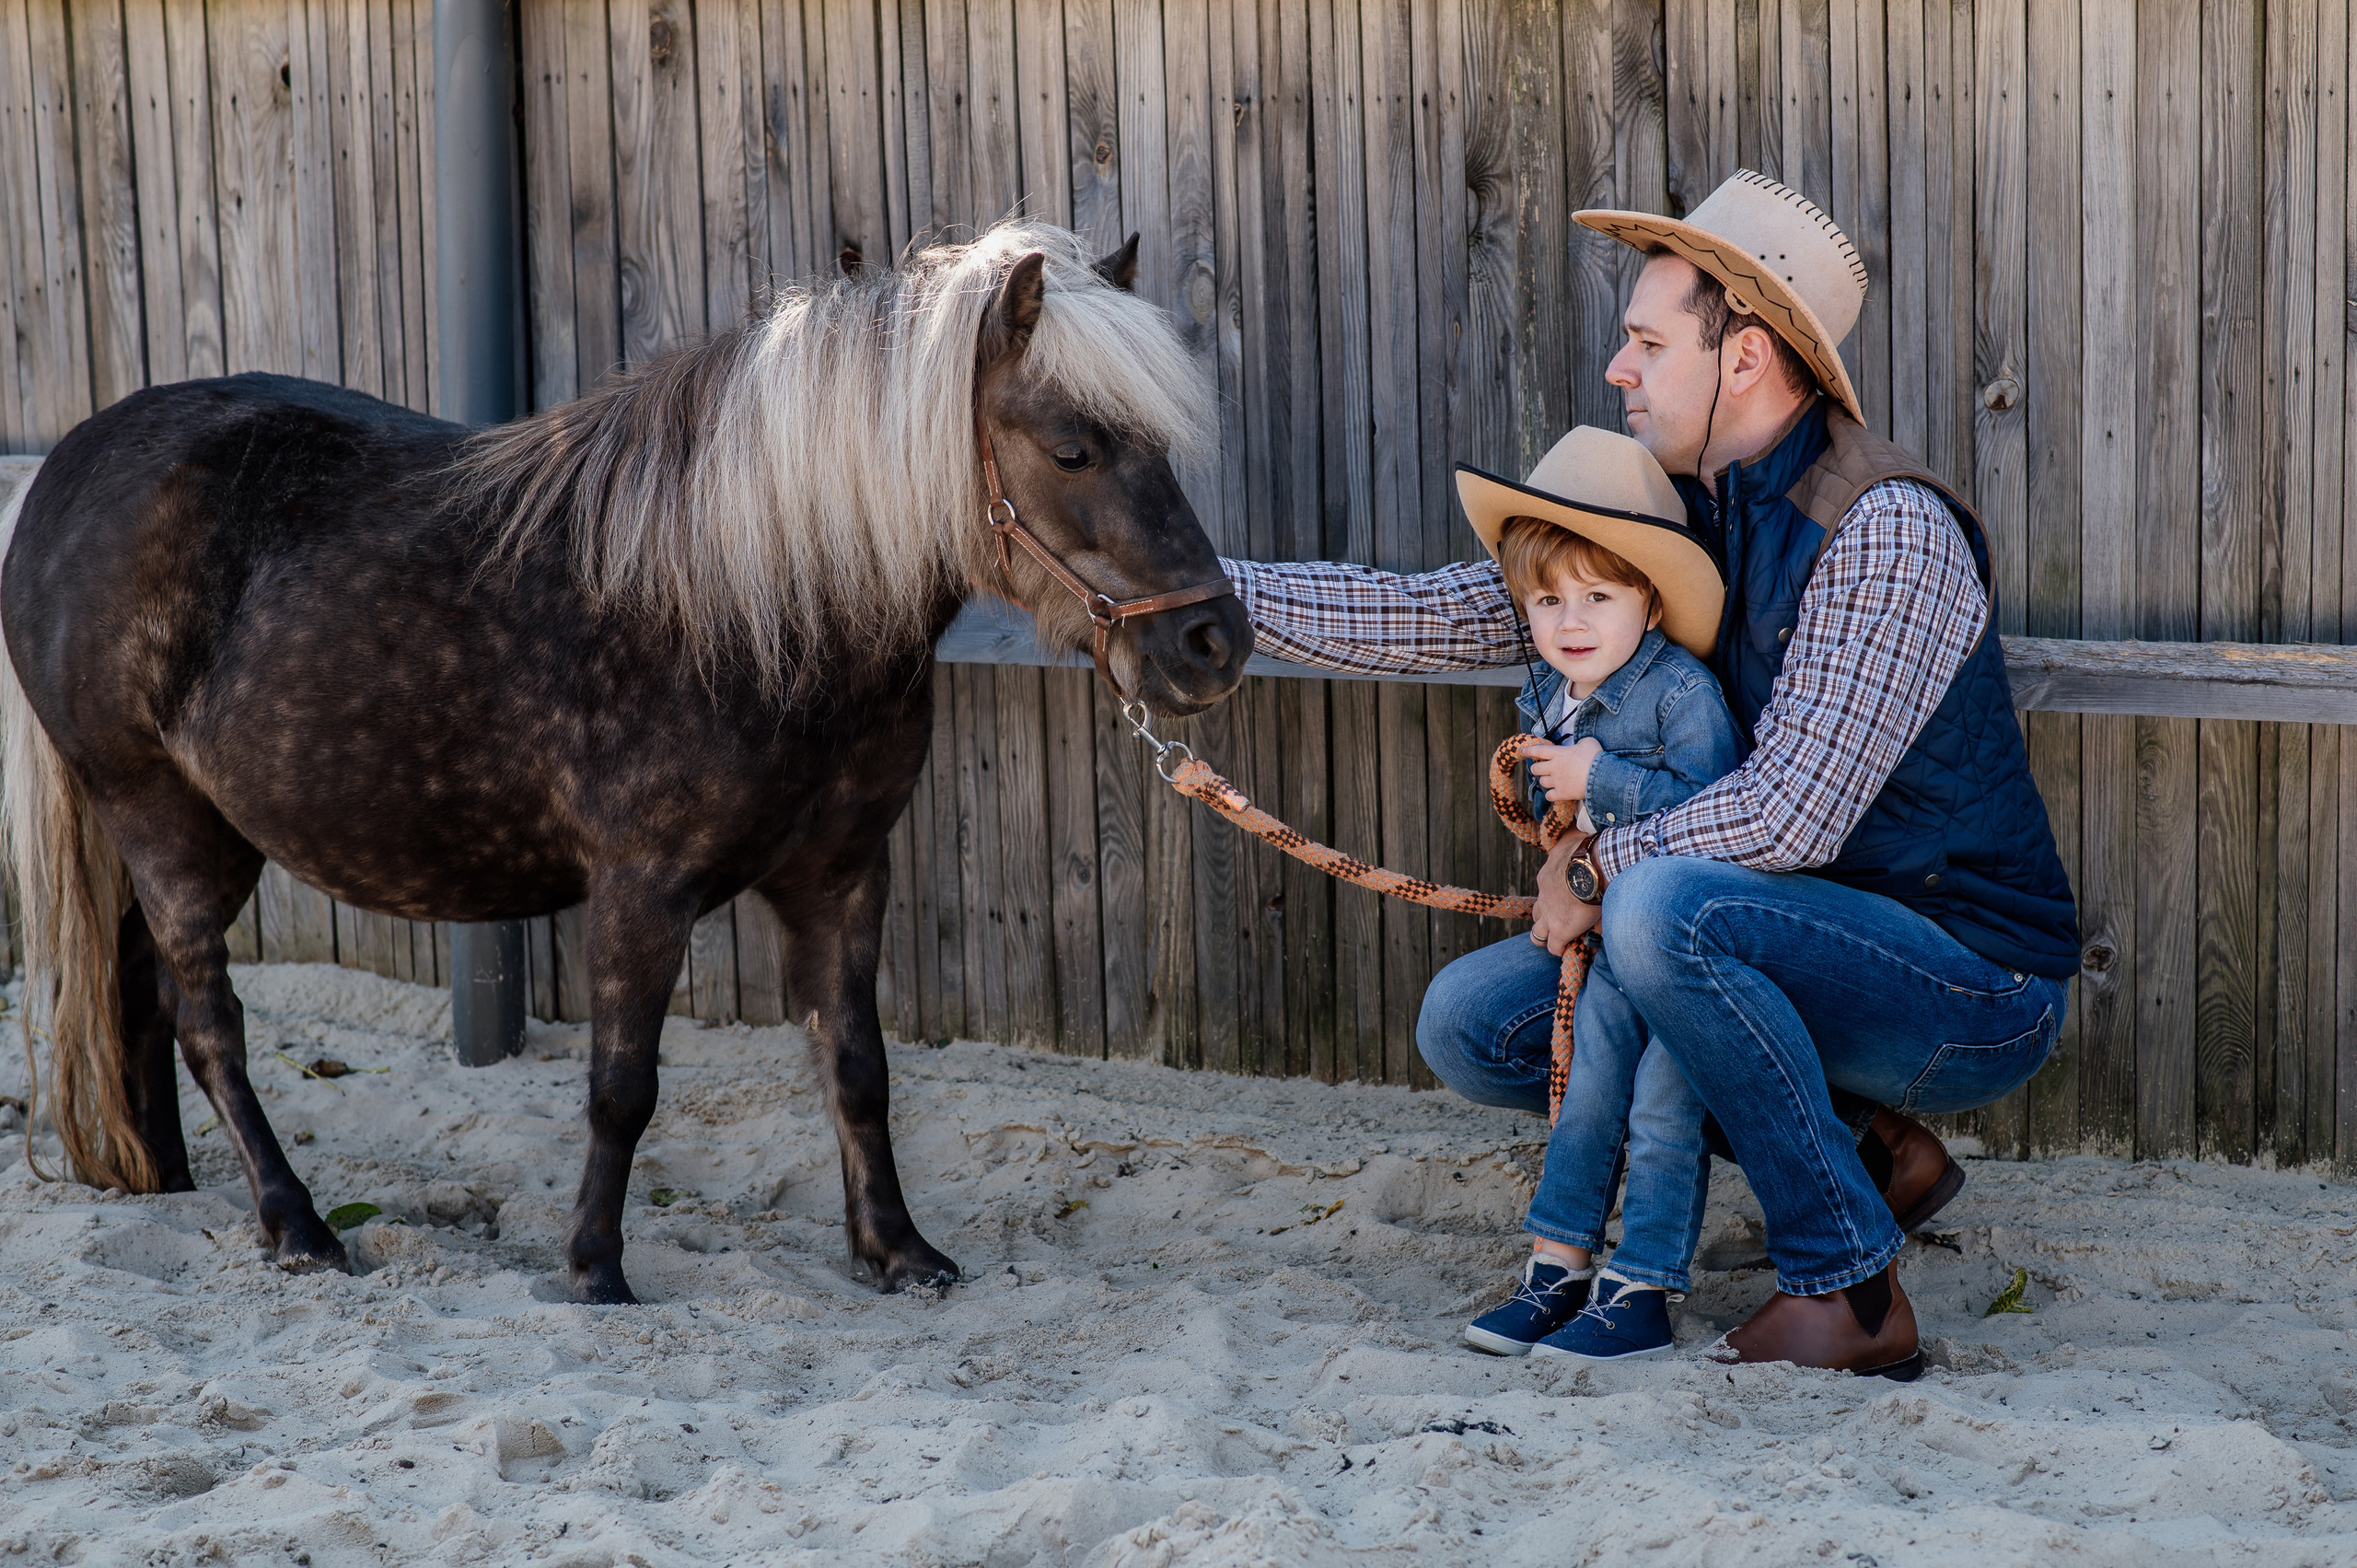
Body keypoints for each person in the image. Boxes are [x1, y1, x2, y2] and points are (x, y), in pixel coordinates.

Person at [1221, 170, 2076, 1380]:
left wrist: (1597, 857)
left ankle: (1851, 1286)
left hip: (1967, 979)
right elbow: (1443, 615)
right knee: (1475, 1025)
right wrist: (1188, 600)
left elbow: (1789, 814)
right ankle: (1869, 1149)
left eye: (1646, 340)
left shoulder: (1883, 529)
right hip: (1771, 933)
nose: (1618, 369)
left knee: (1663, 908)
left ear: (1744, 354)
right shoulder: (1662, 511)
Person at [1438, 428, 1745, 1363]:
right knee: (1588, 1092)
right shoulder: (1553, 694)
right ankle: (1558, 1262)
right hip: (1608, 940)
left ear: (1648, 603)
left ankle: (1643, 1282)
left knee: (1662, 1100)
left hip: (1686, 942)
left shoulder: (1681, 695)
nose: (1572, 619)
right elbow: (1557, 818)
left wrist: (1596, 776)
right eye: (1548, 598)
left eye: (1599, 595)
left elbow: (1722, 816)